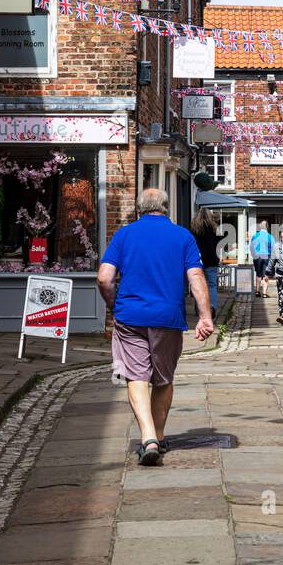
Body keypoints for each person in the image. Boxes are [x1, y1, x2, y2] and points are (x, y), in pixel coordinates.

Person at [97, 188, 214, 466]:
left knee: (136, 376)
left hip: (130, 317)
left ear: (139, 209)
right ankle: (158, 437)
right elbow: (196, 276)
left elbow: (104, 278)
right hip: (168, 318)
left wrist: (115, 305)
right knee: (163, 378)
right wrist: (205, 316)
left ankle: (147, 436)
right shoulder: (182, 236)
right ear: (166, 208)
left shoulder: (124, 235)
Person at [190, 208, 222, 312]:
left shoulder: (194, 229)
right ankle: (212, 307)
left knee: (197, 285)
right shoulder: (214, 229)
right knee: (212, 285)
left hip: (197, 261)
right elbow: (218, 245)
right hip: (211, 260)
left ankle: (198, 309)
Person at [249, 220, 273, 298]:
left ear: (260, 227)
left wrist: (254, 255)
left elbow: (252, 247)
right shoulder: (270, 236)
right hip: (267, 256)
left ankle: (257, 291)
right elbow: (273, 248)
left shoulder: (255, 236)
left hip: (257, 257)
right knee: (266, 274)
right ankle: (265, 293)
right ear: (267, 227)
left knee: (258, 274)